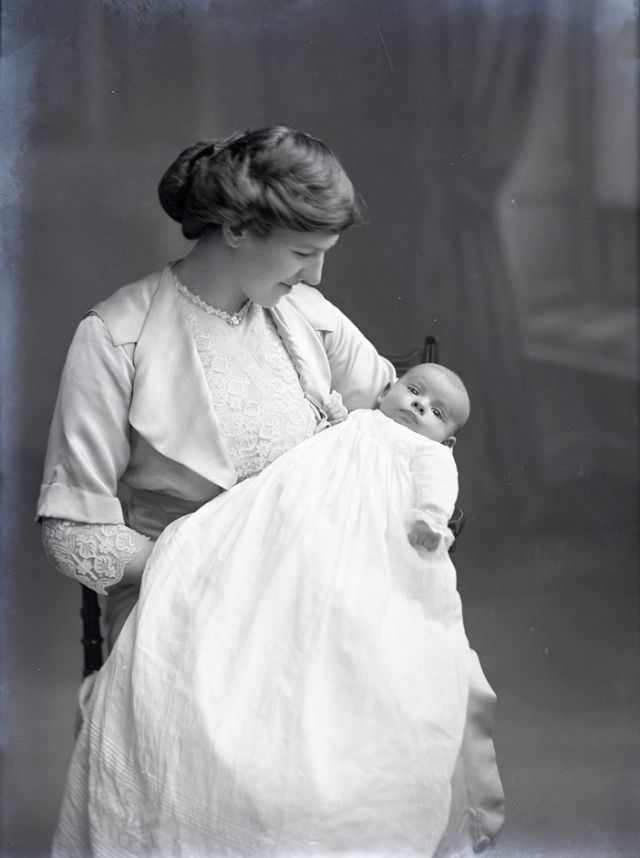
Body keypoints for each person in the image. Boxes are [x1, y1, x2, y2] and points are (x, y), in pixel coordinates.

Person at [38, 126, 503, 856]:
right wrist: (222, 570)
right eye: (300, 253)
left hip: (325, 596)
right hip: (183, 607)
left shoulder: (308, 319)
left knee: (397, 721)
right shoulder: (114, 338)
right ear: (234, 228)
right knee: (263, 777)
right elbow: (75, 533)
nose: (316, 278)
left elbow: (403, 430)